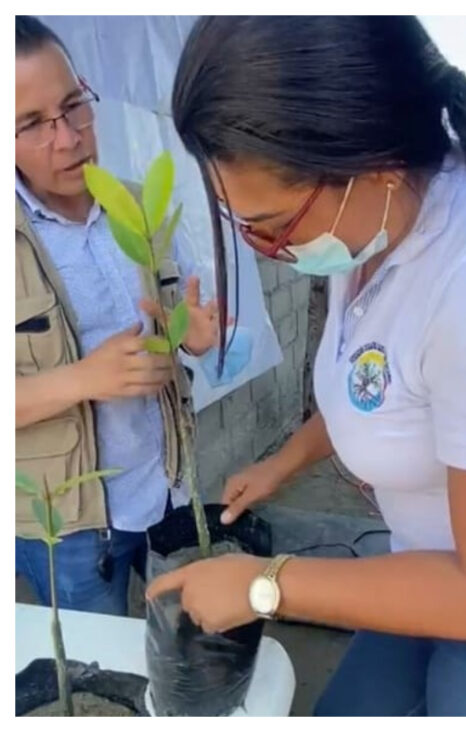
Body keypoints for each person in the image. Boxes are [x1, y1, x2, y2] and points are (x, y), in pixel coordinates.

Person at [145, 16, 466, 717]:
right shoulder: (367, 230)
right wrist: (285, 461)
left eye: (273, 226)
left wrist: (263, 583)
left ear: (371, 164)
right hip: (414, 562)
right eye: (240, 225)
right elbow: (376, 389)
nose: (264, 249)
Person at [14, 16, 222, 617]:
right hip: (72, 524)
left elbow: (177, 322)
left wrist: (194, 336)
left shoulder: (138, 205)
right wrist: (83, 379)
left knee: (179, 649)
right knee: (98, 673)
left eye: (74, 105)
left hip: (167, 486)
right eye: (32, 124)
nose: (68, 137)